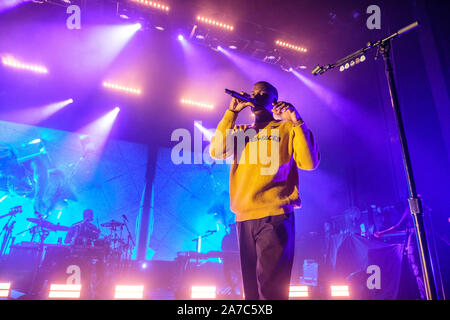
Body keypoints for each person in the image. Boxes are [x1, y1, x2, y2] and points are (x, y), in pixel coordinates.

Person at [209, 81, 320, 299]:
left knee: (271, 289)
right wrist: (231, 112)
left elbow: (309, 163)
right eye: (254, 93)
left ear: (274, 102)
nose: (256, 96)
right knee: (250, 291)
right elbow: (216, 151)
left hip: (275, 215)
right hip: (243, 217)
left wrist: (297, 121)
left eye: (263, 93)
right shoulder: (241, 132)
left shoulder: (287, 128)